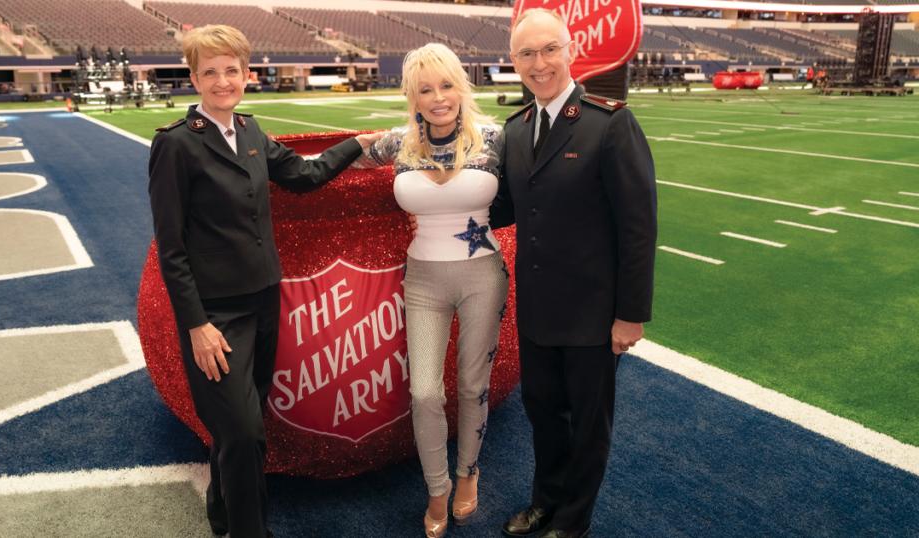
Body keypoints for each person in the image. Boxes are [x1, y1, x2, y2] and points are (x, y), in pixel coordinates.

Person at [147, 25, 382, 538]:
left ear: (247, 75)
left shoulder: (252, 133)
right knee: (246, 431)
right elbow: (172, 248)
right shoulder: (177, 146)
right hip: (216, 316)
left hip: (264, 304)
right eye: (210, 71)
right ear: (194, 79)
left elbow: (304, 177)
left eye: (231, 70)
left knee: (240, 427)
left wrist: (355, 145)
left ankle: (221, 509)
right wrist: (197, 325)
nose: (222, 80)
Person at [489, 9, 658, 538]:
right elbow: (506, 210)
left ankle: (573, 522)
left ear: (570, 50)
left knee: (588, 426)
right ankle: (545, 502)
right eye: (526, 54)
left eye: (549, 50)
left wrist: (630, 316)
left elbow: (638, 228)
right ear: (513, 62)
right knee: (544, 415)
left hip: (592, 311)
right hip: (537, 307)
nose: (539, 64)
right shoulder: (516, 131)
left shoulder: (610, 122)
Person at [353, 43, 509, 538]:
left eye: (446, 85)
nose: (438, 97)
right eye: (425, 89)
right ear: (412, 96)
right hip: (422, 280)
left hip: (483, 276)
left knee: (471, 386)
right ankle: (435, 487)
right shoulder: (397, 144)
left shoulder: (496, 138)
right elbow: (341, 158)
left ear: (461, 86)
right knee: (424, 393)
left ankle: (467, 474)